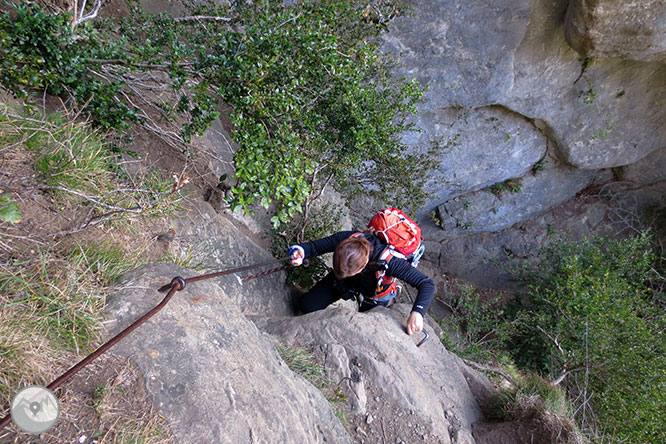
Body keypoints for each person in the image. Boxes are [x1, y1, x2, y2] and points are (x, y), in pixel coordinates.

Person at [288, 230, 435, 335]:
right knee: (307, 305)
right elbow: (314, 247)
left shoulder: (390, 262)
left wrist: (418, 312)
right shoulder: (346, 238)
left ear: (363, 266)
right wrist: (300, 252)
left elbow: (426, 284)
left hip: (376, 295)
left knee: (361, 330)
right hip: (345, 284)